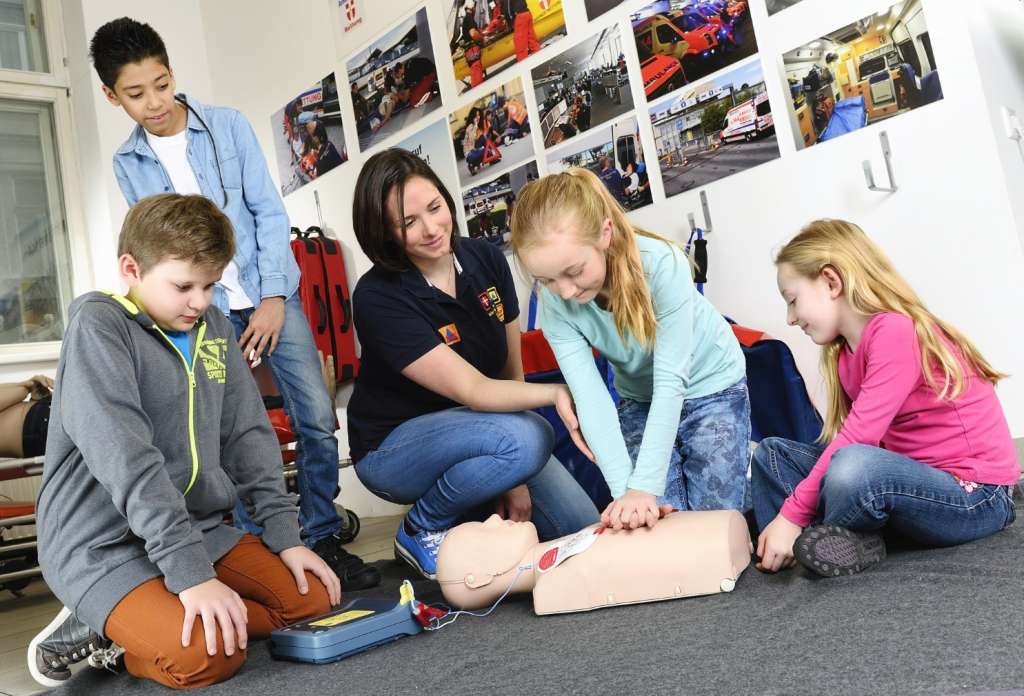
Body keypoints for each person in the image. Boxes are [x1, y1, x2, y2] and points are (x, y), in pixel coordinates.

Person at [88, 17, 377, 589]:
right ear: (111, 96)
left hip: (272, 294)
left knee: (316, 419)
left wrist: (271, 298)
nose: (155, 103)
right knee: (229, 434)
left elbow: (268, 212)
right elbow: (163, 247)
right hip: (206, 310)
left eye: (162, 85)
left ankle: (320, 536)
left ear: (173, 73)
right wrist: (207, 312)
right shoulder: (128, 163)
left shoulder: (227, 126)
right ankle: (257, 549)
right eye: (136, 94)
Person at [30, 194, 340, 689]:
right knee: (209, 657)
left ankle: (152, 616)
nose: (200, 301)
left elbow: (246, 434)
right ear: (131, 269)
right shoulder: (99, 326)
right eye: (183, 286)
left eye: (210, 285)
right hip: (102, 545)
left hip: (196, 529)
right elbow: (128, 460)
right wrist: (192, 576)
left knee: (313, 602)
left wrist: (286, 535)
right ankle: (115, 632)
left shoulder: (212, 327)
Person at [347, 149, 600, 579]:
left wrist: (515, 477)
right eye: (409, 222)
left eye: (435, 208)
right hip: (393, 448)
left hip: (491, 435)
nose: (432, 229)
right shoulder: (376, 297)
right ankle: (422, 525)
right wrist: (559, 392)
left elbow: (511, 374)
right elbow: (475, 390)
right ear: (385, 232)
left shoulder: (486, 259)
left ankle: (472, 500)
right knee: (531, 437)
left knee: (582, 530)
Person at [752, 219, 1018, 577]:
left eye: (792, 301)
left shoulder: (894, 330)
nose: (789, 318)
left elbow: (859, 439)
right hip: (911, 482)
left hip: (976, 497)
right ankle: (814, 544)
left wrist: (791, 515)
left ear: (831, 282)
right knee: (772, 454)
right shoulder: (844, 353)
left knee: (854, 466)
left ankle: (824, 536)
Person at [510, 169, 751, 531]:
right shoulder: (555, 304)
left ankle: (748, 481)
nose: (566, 291)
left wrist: (644, 486)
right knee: (655, 524)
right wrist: (627, 493)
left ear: (604, 234)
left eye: (574, 271)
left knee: (712, 523)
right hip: (639, 400)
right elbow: (591, 400)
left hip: (713, 387)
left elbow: (670, 381)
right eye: (547, 280)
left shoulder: (662, 264)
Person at [0, 376, 52, 459]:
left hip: (37, 428)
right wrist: (27, 386)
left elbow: (25, 387)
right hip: (37, 426)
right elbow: (21, 391)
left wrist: (29, 386)